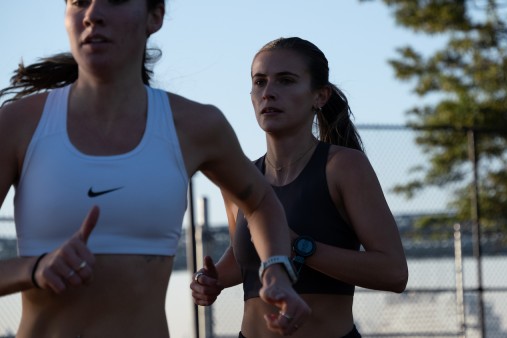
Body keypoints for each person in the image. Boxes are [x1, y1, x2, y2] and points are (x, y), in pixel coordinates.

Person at [0, 2, 309, 337]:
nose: (91, 14)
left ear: (155, 16)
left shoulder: (196, 125)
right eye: (77, 1)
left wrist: (275, 269)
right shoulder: (19, 124)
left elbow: (262, 202)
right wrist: (33, 269)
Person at [190, 37, 409, 338]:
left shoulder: (344, 167)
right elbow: (243, 261)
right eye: (260, 82)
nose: (268, 93)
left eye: (286, 81)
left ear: (319, 96)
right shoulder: (240, 178)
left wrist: (295, 245)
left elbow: (394, 272)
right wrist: (211, 279)